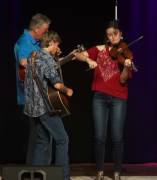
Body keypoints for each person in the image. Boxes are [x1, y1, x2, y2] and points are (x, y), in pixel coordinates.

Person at [74, 20, 134, 180]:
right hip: (99, 97)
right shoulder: (99, 49)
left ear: (121, 34)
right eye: (109, 34)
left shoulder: (125, 52)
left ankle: (117, 172)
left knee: (117, 137)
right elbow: (77, 55)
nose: (112, 37)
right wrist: (88, 60)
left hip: (119, 98)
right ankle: (99, 171)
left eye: (115, 34)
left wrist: (127, 67)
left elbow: (122, 80)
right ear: (106, 37)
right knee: (99, 136)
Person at [24, 30, 73, 180]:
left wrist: (55, 56)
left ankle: (35, 176)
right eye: (56, 44)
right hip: (45, 108)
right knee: (62, 139)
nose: (57, 47)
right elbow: (56, 84)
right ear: (51, 42)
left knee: (42, 141)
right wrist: (67, 90)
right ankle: (63, 177)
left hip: (32, 108)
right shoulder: (47, 59)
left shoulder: (32, 56)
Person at [14, 13, 51, 164]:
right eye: (44, 30)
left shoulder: (37, 43)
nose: (46, 33)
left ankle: (38, 169)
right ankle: (35, 170)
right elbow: (23, 62)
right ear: (36, 28)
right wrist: (44, 61)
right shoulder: (24, 42)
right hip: (29, 97)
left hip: (39, 96)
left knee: (40, 134)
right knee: (39, 135)